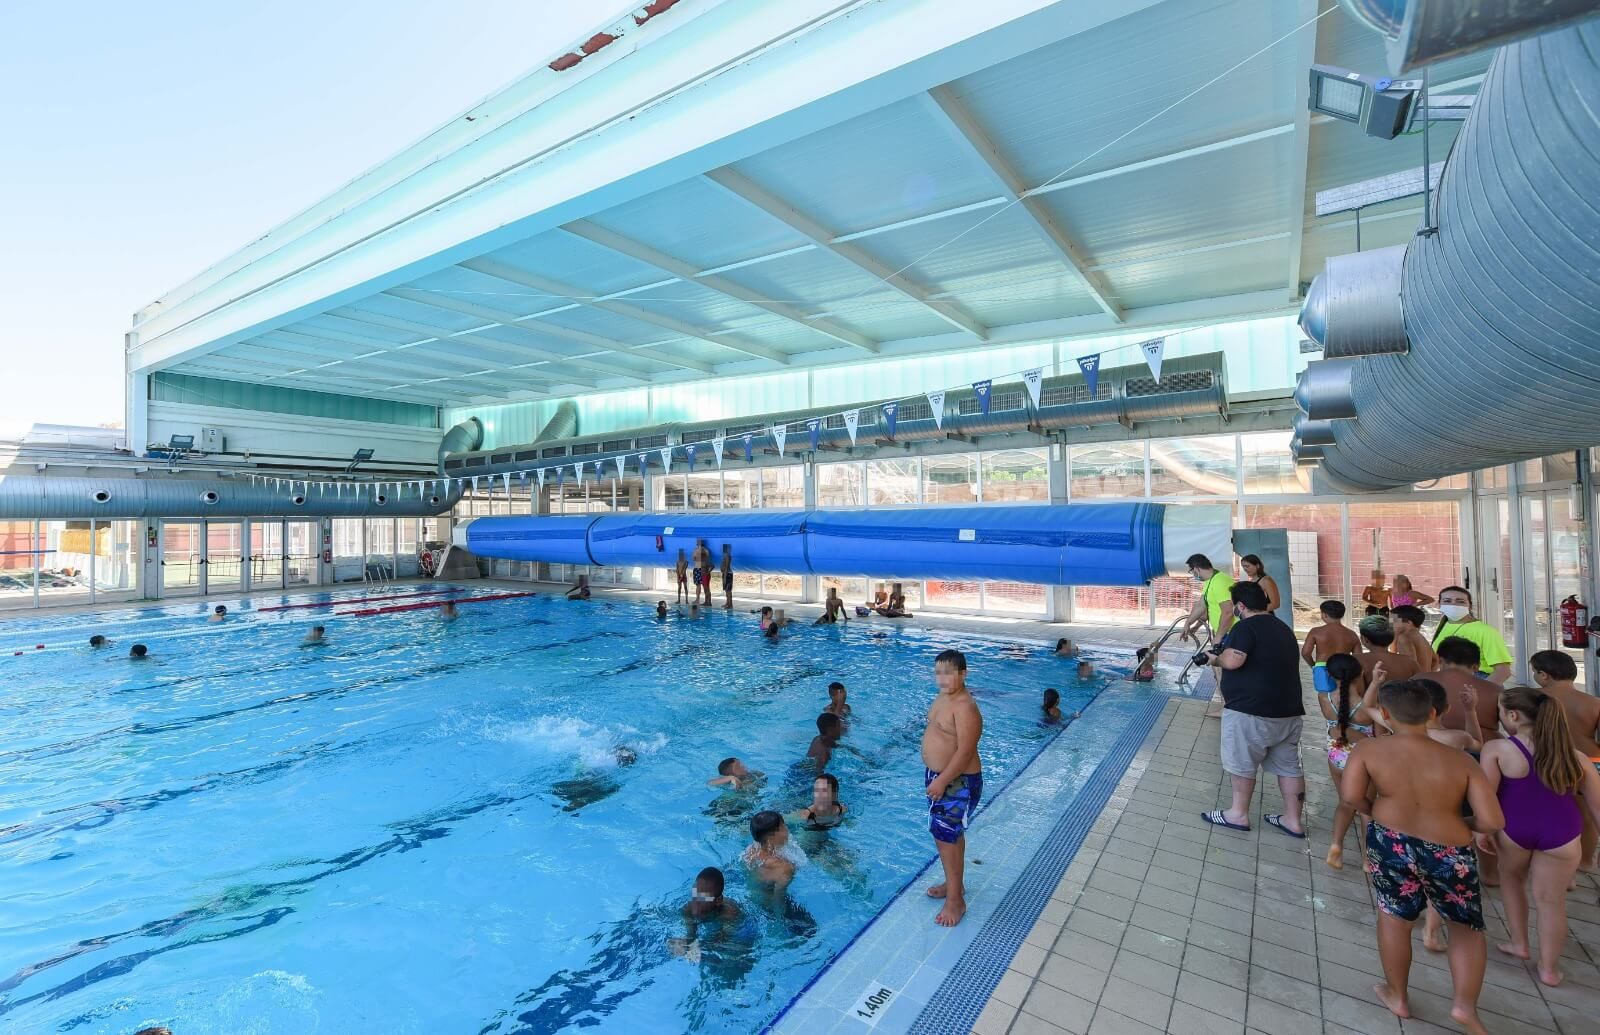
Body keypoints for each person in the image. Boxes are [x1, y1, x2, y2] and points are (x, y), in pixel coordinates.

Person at [1340, 679, 1503, 1032]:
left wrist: (1380, 811)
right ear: (1434, 712)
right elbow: (1492, 820)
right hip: (1450, 848)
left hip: (1390, 841)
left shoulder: (1369, 750)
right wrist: (1457, 822)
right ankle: (1464, 1008)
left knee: (1394, 918)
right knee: (1465, 928)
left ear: (1385, 714)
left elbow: (1352, 797)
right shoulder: (1460, 760)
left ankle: (1397, 995)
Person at [1477, 686, 1600, 988]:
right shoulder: (1577, 758)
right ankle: (1549, 970)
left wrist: (1483, 831)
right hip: (1563, 833)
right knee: (1552, 902)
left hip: (1514, 830)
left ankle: (1519, 942)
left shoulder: (1497, 750)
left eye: (1502, 712)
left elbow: (1486, 799)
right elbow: (1597, 808)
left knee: (1512, 881)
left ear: (1514, 716)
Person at [1200, 581, 1305, 837]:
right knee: (1289, 767)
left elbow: (1234, 660)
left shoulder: (1245, 627)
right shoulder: (1283, 628)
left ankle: (1238, 814)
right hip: (1289, 711)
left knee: (1242, 764)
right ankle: (1293, 820)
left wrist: (1215, 658)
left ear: (1241, 605)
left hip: (1251, 711)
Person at [922, 648, 983, 926]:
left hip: (956, 781)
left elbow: (966, 751)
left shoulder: (965, 707)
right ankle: (954, 886)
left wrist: (943, 780)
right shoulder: (944, 697)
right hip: (940, 777)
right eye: (939, 672)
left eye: (949, 673)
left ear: (963, 674)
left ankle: (955, 901)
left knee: (946, 837)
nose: (943, 678)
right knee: (948, 836)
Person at [1529, 650, 1600, 870]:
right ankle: (1585, 861)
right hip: (1590, 761)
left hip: (1550, 760)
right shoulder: (1593, 703)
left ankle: (1551, 858)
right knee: (1586, 814)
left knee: (1550, 810)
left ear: (1544, 675)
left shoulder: (1533, 699)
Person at [1322, 653, 1374, 870]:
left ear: (1329, 675)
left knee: (1345, 803)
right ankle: (1367, 859)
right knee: (1366, 810)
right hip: (1362, 761)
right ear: (1360, 673)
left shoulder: (1324, 699)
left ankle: (1336, 846)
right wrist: (1376, 683)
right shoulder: (1365, 706)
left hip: (1336, 756)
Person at [1426, 638, 1505, 746]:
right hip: (1484, 751)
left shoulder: (1418, 681)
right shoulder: (1495, 690)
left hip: (1431, 745)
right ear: (1476, 666)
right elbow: (1512, 725)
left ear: (1439, 660)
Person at [1432, 587, 1512, 684]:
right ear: (1439, 604)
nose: (1453, 605)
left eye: (1460, 601)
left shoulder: (1485, 631)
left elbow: (1503, 671)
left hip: (1476, 681)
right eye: (1447, 601)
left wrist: (1480, 692)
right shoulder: (1444, 625)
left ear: (1469, 606)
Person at [668, 866, 742, 961]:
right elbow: (691, 936)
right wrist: (683, 944)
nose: (696, 900)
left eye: (703, 897)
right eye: (695, 894)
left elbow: (722, 940)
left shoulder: (730, 914)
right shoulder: (688, 910)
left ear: (718, 901)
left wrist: (702, 947)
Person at [1302, 600, 1361, 694]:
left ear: (1324, 615)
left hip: (1321, 668)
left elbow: (1305, 653)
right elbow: (1358, 658)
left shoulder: (1316, 632)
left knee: (1324, 698)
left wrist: (1313, 666)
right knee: (1342, 698)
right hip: (1343, 670)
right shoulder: (1352, 635)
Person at [1179, 554, 1234, 646]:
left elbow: (1228, 612)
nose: (1193, 575)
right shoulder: (1209, 581)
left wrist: (1219, 637)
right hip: (1223, 632)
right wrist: (1190, 624)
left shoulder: (1220, 581)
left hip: (1230, 633)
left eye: (1191, 571)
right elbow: (1202, 605)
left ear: (1196, 569)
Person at [1355, 615, 1419, 685]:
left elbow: (1356, 692)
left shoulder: (1356, 661)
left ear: (1365, 639)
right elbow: (1422, 688)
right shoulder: (1410, 662)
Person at [742, 811, 795, 892]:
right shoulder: (784, 868)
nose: (787, 829)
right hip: (769, 901)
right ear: (771, 837)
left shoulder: (750, 851)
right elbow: (778, 898)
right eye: (783, 827)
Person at [1391, 605, 1438, 672]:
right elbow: (1435, 660)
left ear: (1409, 622)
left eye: (1394, 621)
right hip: (1424, 679)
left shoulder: (1403, 638)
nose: (1391, 624)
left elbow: (1410, 666)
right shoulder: (1421, 638)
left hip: (1414, 681)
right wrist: (1429, 675)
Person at [692, 539, 713, 607]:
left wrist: (708, 572)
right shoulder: (695, 550)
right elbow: (693, 558)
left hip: (704, 572)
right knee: (702, 586)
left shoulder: (705, 551)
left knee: (706, 588)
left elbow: (710, 562)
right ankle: (703, 600)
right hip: (699, 571)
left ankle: (708, 601)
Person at [720, 544, 734, 609]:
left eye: (724, 548)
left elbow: (727, 567)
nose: (723, 549)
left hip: (727, 574)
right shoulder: (725, 556)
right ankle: (727, 603)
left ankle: (730, 604)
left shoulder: (727, 556)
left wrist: (725, 577)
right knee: (726, 590)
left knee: (728, 590)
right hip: (726, 573)